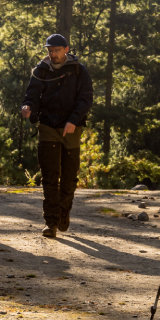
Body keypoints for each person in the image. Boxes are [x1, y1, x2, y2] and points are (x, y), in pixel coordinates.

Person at [21, 34, 93, 238]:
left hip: (71, 127)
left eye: (56, 50)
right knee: (50, 177)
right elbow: (31, 96)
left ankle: (63, 211)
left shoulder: (79, 70)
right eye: (50, 50)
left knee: (70, 177)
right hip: (48, 126)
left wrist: (74, 120)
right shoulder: (41, 70)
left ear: (66, 50)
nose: (53, 54)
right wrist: (28, 108)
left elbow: (86, 99)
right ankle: (51, 222)